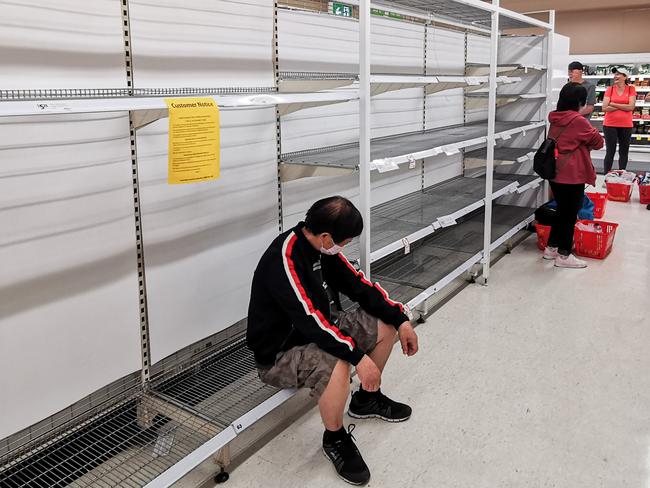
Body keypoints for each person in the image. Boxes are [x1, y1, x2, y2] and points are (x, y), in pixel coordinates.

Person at [247, 196, 419, 485]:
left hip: (317, 330)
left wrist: (400, 319)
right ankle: (335, 438)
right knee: (338, 359)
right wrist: (358, 357)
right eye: (346, 241)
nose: (346, 246)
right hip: (280, 354)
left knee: (385, 325)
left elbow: (360, 287)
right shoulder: (285, 258)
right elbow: (310, 321)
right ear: (326, 237)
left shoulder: (323, 250)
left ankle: (366, 400)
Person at [543, 82, 604, 269]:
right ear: (580, 101)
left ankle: (551, 248)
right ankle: (564, 255)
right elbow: (599, 142)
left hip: (555, 172)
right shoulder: (578, 121)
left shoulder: (555, 117)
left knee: (562, 210)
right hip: (572, 174)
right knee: (570, 214)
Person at [602, 67, 637, 173]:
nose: (615, 76)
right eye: (615, 74)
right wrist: (623, 105)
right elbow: (604, 108)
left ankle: (622, 175)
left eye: (618, 74)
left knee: (624, 152)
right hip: (609, 124)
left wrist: (612, 104)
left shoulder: (631, 89)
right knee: (610, 152)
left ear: (625, 77)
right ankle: (607, 176)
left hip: (626, 125)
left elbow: (631, 107)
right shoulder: (610, 89)